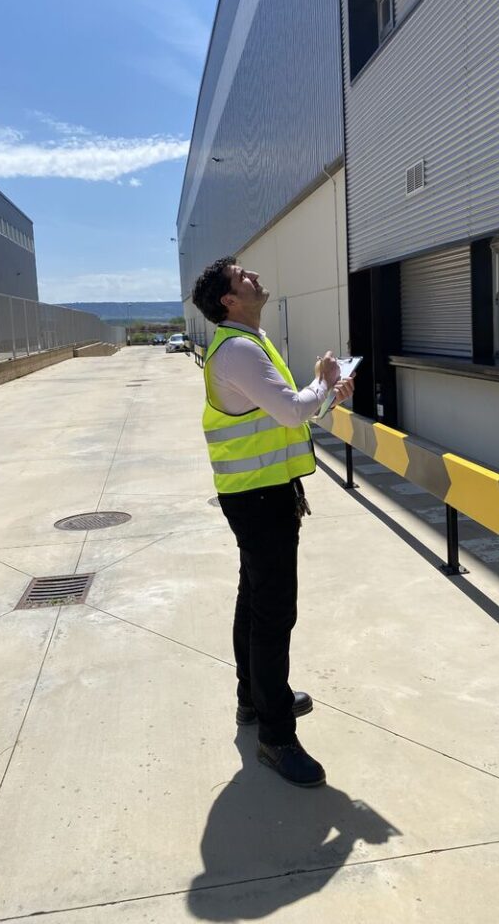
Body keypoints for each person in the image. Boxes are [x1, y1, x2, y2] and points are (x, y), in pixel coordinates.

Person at [192, 256, 355, 788]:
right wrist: (323, 381)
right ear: (229, 301)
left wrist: (327, 392)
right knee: (273, 613)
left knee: (255, 598)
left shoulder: (249, 344)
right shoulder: (238, 349)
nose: (255, 275)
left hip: (260, 493)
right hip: (258, 499)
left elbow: (289, 411)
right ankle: (276, 735)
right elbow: (291, 411)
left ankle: (256, 701)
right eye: (243, 277)